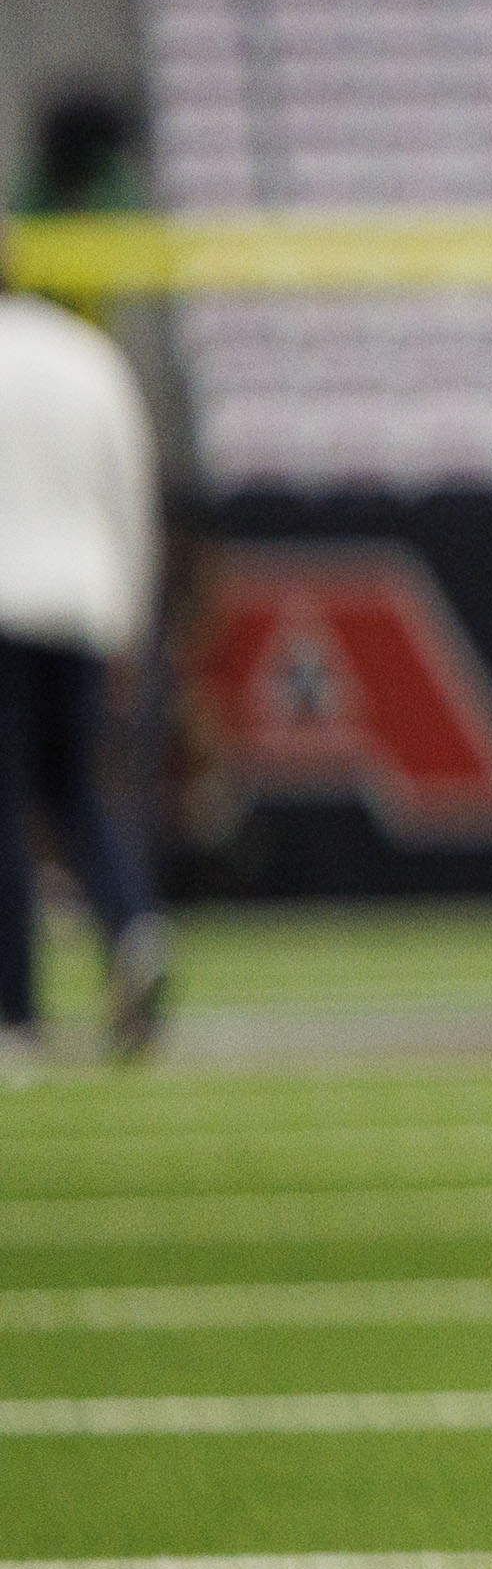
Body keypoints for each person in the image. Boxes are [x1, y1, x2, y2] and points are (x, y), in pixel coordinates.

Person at [0, 281, 162, 1066]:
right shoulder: (88, 355)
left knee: (7, 807)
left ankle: (16, 1012)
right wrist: (127, 614)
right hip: (84, 602)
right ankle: (131, 926)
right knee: (73, 791)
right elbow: (131, 492)